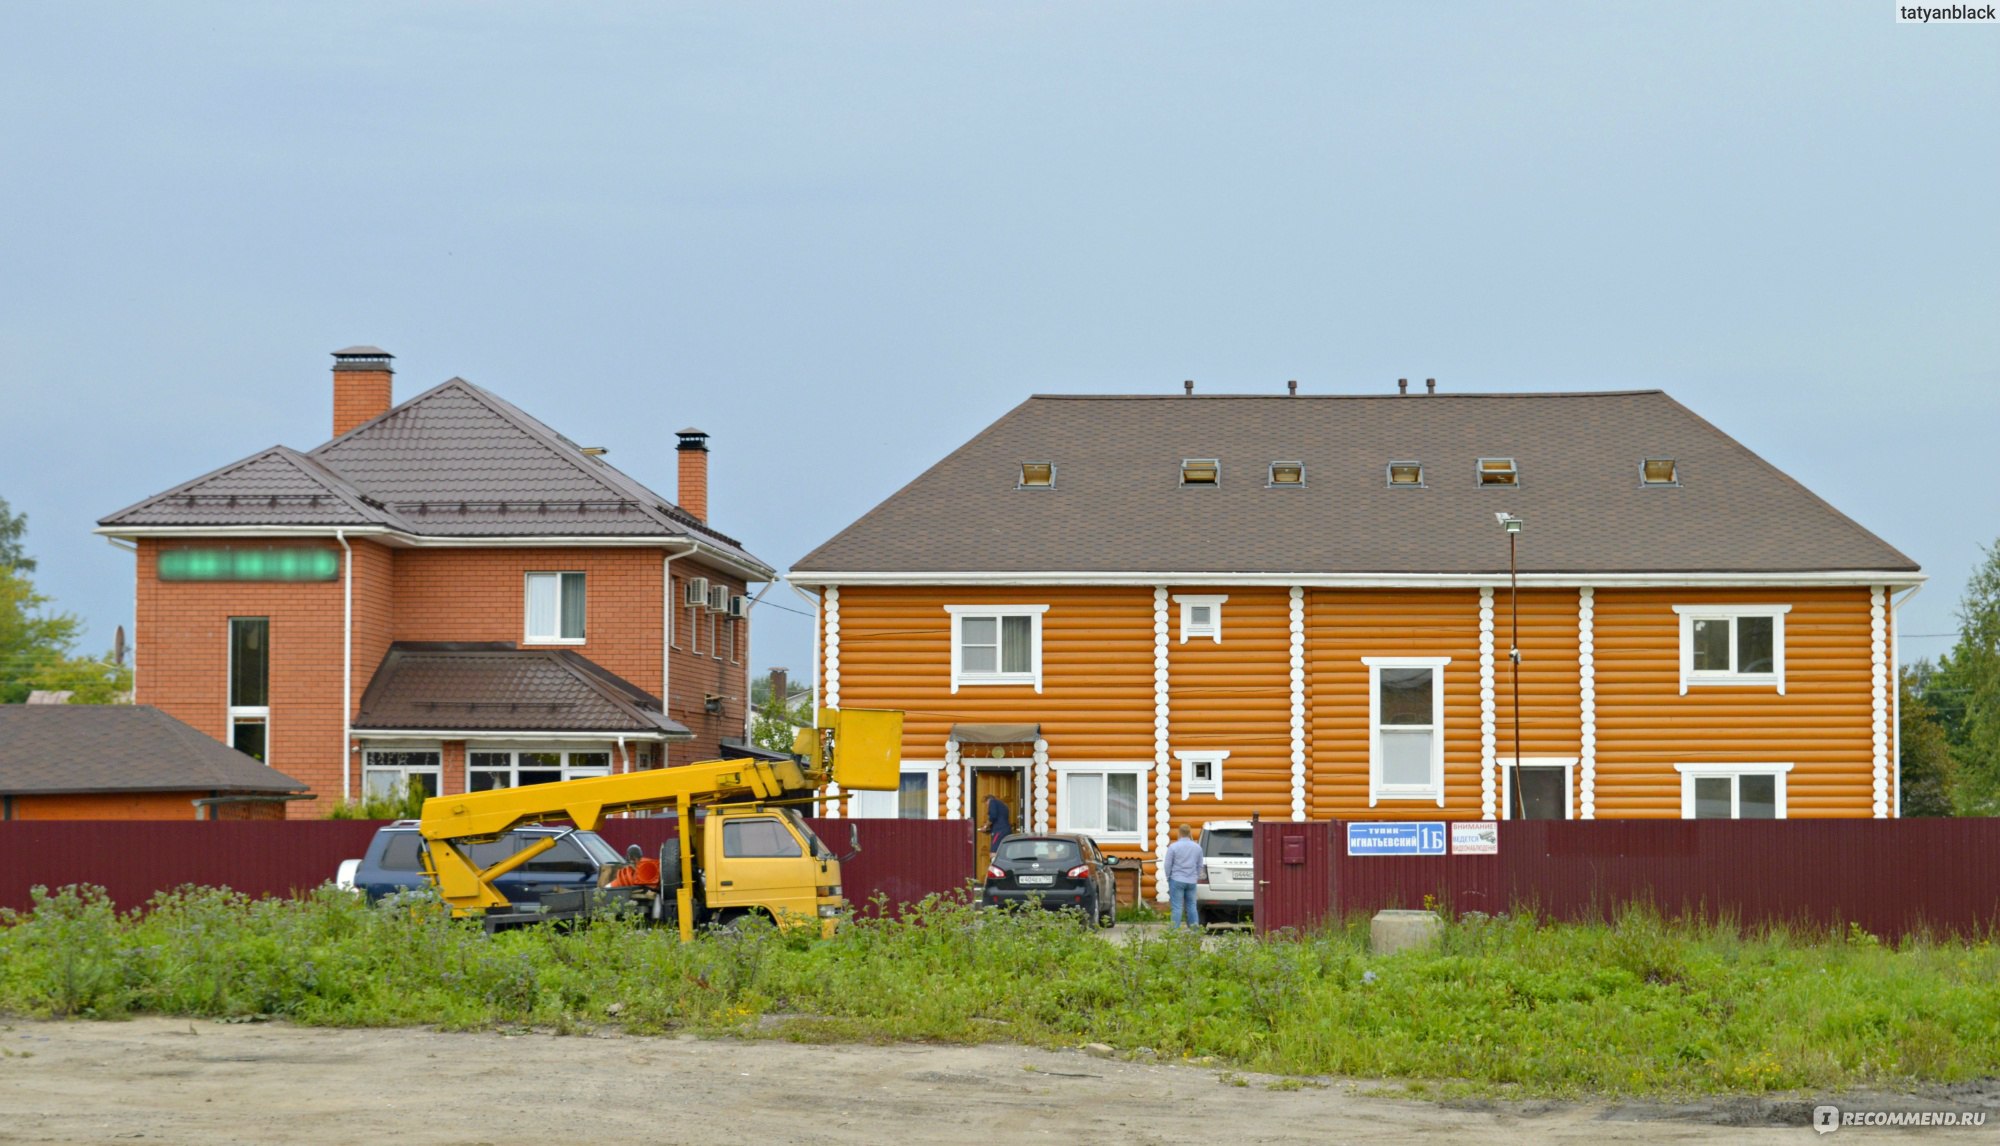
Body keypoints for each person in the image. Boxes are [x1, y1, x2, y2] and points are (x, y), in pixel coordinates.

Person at [1163, 824, 1204, 929]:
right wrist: (1196, 876)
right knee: (1191, 906)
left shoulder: (1173, 847)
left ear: (1179, 833)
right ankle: (1195, 931)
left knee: (1177, 907)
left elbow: (1167, 864)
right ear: (1190, 833)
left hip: (1176, 879)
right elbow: (1200, 865)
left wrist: (1168, 877)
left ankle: (1173, 932)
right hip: (1191, 881)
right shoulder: (1197, 847)